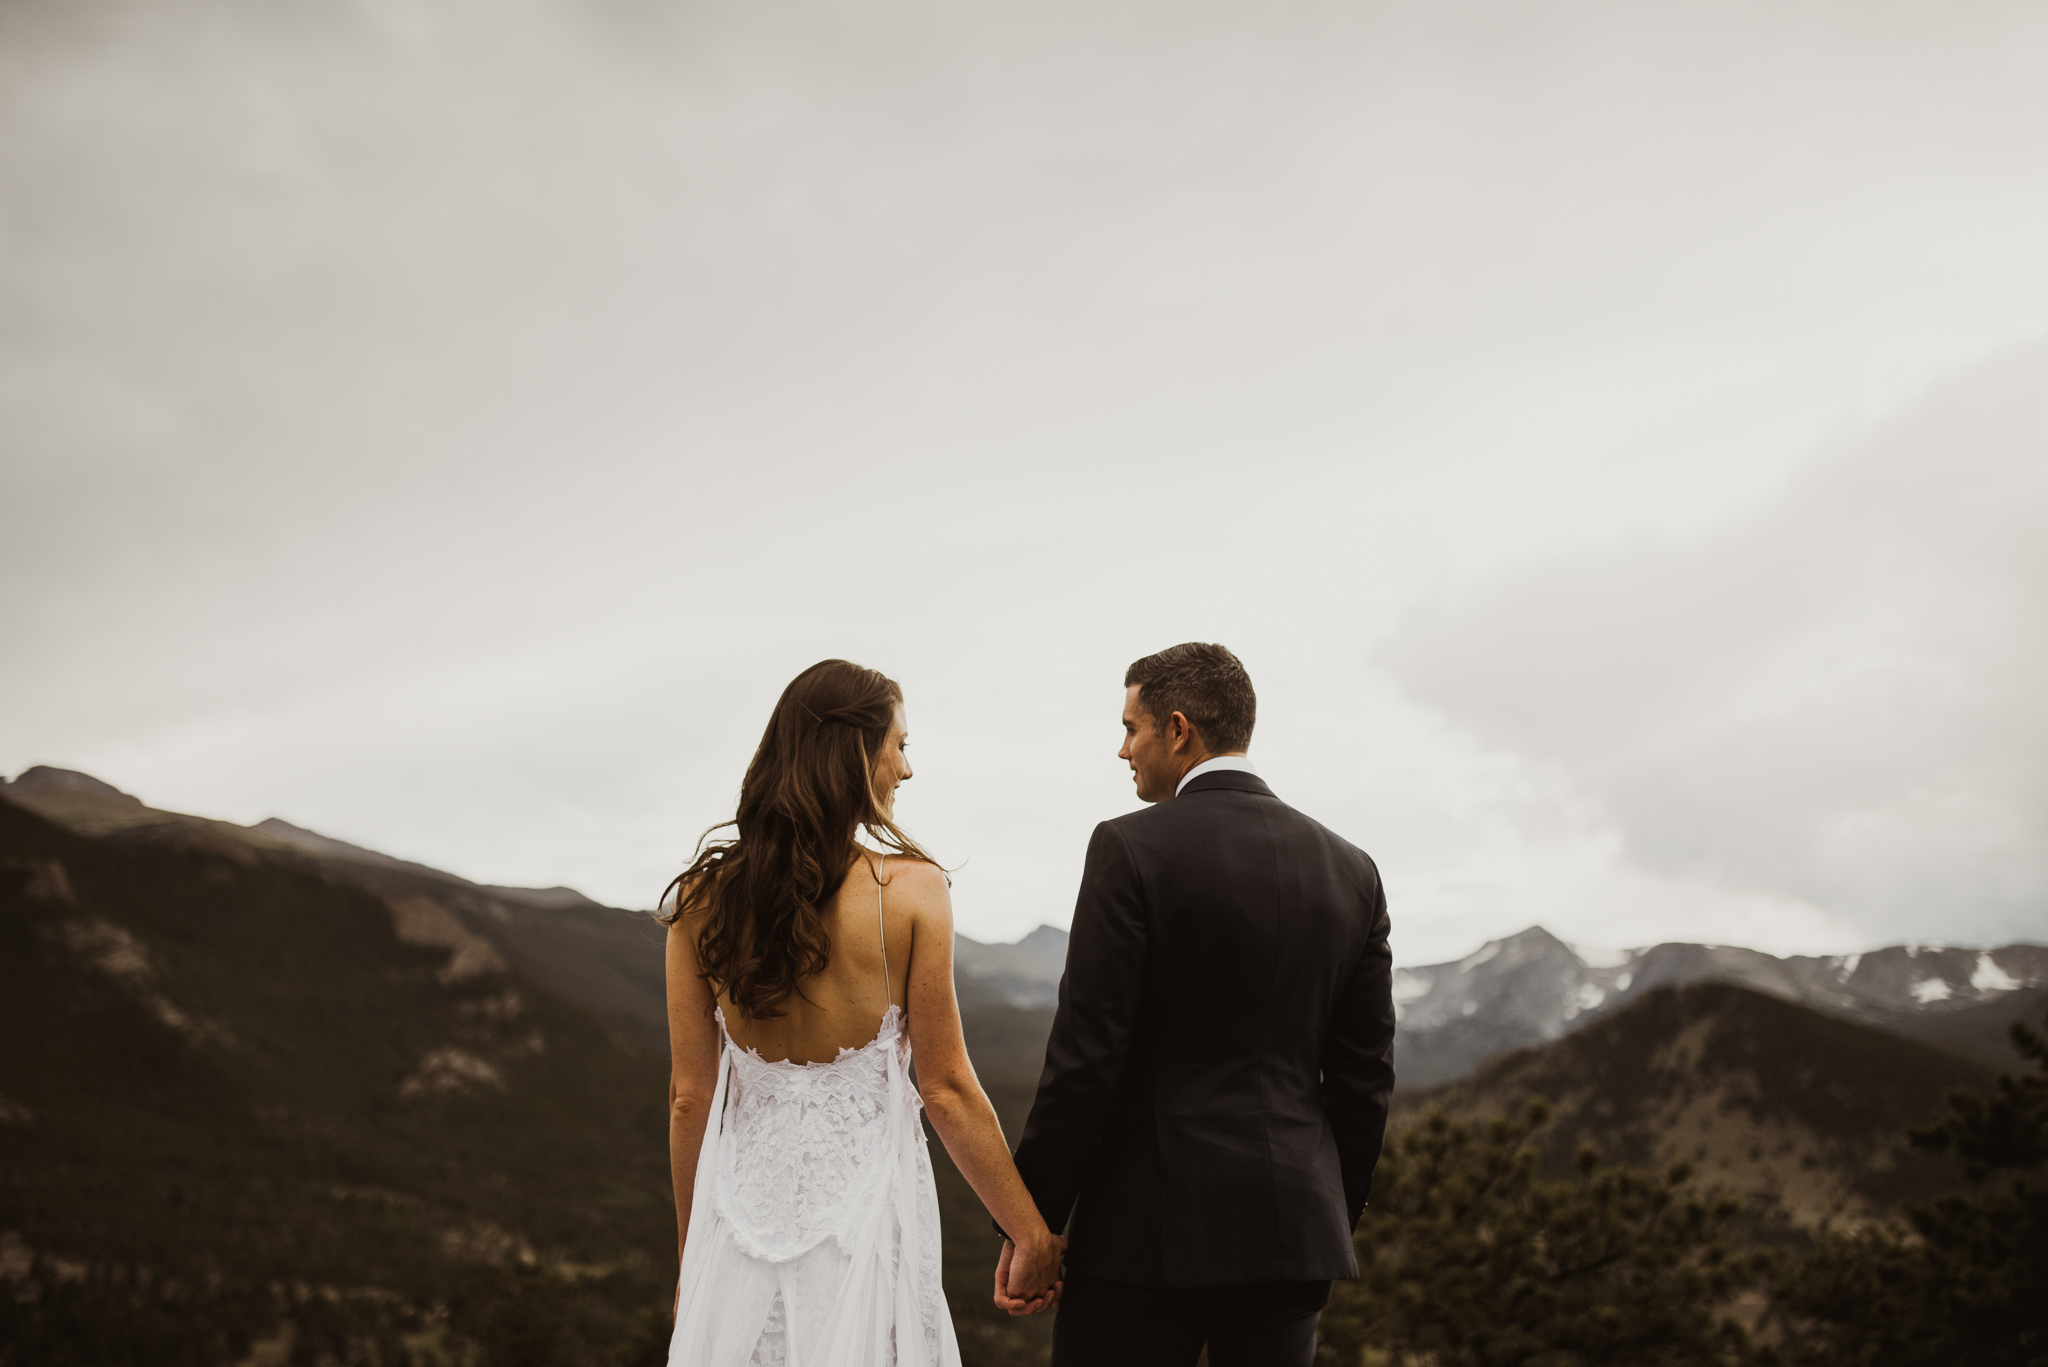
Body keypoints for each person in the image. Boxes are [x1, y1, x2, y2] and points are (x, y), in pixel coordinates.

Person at [998, 643, 1396, 1367]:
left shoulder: (1130, 847)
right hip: (1294, 1235)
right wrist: (1328, 1213)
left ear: (1178, 729)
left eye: (1132, 728)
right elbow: (1364, 1078)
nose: (1123, 750)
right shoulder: (1353, 870)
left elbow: (1086, 1062)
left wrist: (1033, 1224)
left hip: (1146, 1236)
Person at [662, 659, 1065, 1367]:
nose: (906, 769)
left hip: (733, 1244)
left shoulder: (700, 902)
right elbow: (946, 1089)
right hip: (864, 1238)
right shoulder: (910, 891)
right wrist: (1030, 1233)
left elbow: (689, 1098)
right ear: (855, 750)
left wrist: (691, 1261)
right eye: (899, 744)